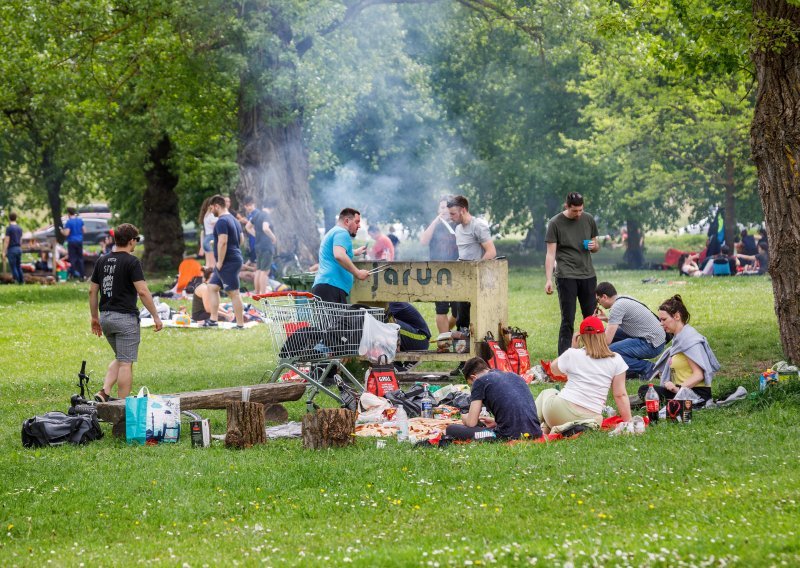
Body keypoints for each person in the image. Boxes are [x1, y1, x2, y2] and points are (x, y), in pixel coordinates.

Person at [89, 223, 163, 401]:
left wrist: (94, 317)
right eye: (136, 240)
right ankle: (123, 409)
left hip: (106, 317)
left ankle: (104, 392)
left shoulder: (102, 260)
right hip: (125, 319)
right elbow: (143, 291)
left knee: (121, 357)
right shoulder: (132, 261)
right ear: (131, 241)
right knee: (125, 364)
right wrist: (155, 316)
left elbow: (92, 291)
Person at [536, 316, 631, 433]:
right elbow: (620, 395)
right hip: (589, 417)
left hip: (558, 410)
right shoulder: (616, 359)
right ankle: (562, 428)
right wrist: (628, 422)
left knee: (548, 392)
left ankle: (534, 425)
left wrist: (572, 349)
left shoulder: (572, 354)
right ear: (603, 334)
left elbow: (552, 369)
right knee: (597, 419)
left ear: (580, 337)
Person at [545, 192, 600, 355]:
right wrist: (548, 279)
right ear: (567, 206)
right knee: (568, 319)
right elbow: (550, 254)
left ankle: (594, 352)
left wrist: (594, 246)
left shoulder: (588, 219)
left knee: (591, 318)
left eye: (581, 210)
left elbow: (596, 245)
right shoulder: (555, 223)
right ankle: (564, 357)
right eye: (575, 211)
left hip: (588, 275)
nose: (578, 214)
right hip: (566, 276)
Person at [640, 295, 719, 404]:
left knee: (647, 392)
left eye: (664, 319)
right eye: (660, 320)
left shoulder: (689, 340)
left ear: (677, 316)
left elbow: (699, 375)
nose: (661, 323)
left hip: (696, 394)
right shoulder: (679, 340)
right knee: (646, 391)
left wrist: (677, 388)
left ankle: (667, 402)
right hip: (681, 391)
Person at [445, 356, 542, 441]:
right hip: (536, 431)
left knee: (451, 429)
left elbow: (471, 423)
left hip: (509, 434)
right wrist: (496, 422)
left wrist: (465, 418)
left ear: (473, 377)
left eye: (471, 385)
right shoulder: (515, 376)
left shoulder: (479, 381)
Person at [594, 282, 666, 379]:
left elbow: (606, 341)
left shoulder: (617, 307)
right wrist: (607, 319)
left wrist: (589, 350)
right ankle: (629, 369)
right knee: (608, 332)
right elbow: (626, 325)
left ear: (604, 297)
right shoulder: (623, 299)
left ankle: (649, 369)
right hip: (656, 338)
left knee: (609, 352)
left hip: (652, 344)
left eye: (598, 300)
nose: (599, 304)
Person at [447, 194, 496, 331]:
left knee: (476, 319)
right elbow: (464, 254)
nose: (451, 217)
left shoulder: (478, 226)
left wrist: (475, 269)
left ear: (463, 210)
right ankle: (462, 349)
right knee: (461, 319)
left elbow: (491, 252)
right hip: (462, 279)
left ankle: (475, 348)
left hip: (477, 279)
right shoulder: (458, 229)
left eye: (453, 213)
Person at [420, 195, 460, 335]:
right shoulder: (434, 225)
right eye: (442, 207)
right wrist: (438, 219)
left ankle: (445, 333)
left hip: (458, 273)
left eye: (448, 207)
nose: (445, 210)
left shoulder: (459, 224)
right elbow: (424, 241)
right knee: (441, 309)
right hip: (439, 274)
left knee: (458, 312)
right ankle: (444, 341)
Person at [311, 208, 369, 304]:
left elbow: (335, 252)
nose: (359, 226)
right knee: (337, 320)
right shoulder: (342, 233)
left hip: (327, 287)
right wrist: (358, 273)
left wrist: (354, 252)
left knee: (333, 320)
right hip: (331, 287)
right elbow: (339, 255)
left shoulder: (334, 231)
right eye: (357, 222)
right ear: (347, 221)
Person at [205, 194, 245, 328]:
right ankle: (213, 320)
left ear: (217, 206)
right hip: (233, 258)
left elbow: (223, 241)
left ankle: (240, 324)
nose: (211, 212)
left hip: (228, 262)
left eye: (211, 209)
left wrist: (220, 262)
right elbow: (241, 240)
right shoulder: (234, 220)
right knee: (212, 287)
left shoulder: (222, 221)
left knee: (233, 292)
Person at [244, 197, 278, 295]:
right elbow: (265, 228)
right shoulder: (267, 215)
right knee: (264, 271)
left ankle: (257, 292)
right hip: (266, 246)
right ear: (272, 208)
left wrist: (256, 235)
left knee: (258, 270)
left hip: (258, 246)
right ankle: (263, 294)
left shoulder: (258, 214)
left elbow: (247, 227)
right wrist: (273, 237)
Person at [61, 207, 85, 279]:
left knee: (72, 259)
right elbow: (84, 230)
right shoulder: (80, 220)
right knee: (80, 258)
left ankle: (72, 275)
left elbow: (67, 233)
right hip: (79, 241)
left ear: (68, 213)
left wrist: (62, 231)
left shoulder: (69, 222)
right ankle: (82, 276)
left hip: (72, 242)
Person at [3, 212, 24, 284]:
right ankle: (22, 281)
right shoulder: (20, 228)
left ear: (9, 218)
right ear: (16, 218)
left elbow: (6, 241)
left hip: (12, 249)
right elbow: (21, 240)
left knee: (13, 266)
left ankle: (17, 281)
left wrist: (4, 251)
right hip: (18, 248)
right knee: (18, 266)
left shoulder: (9, 228)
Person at [198, 197, 217, 269]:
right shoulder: (211, 215)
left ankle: (205, 278)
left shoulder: (206, 215)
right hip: (211, 239)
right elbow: (216, 222)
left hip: (207, 239)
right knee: (213, 265)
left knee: (208, 264)